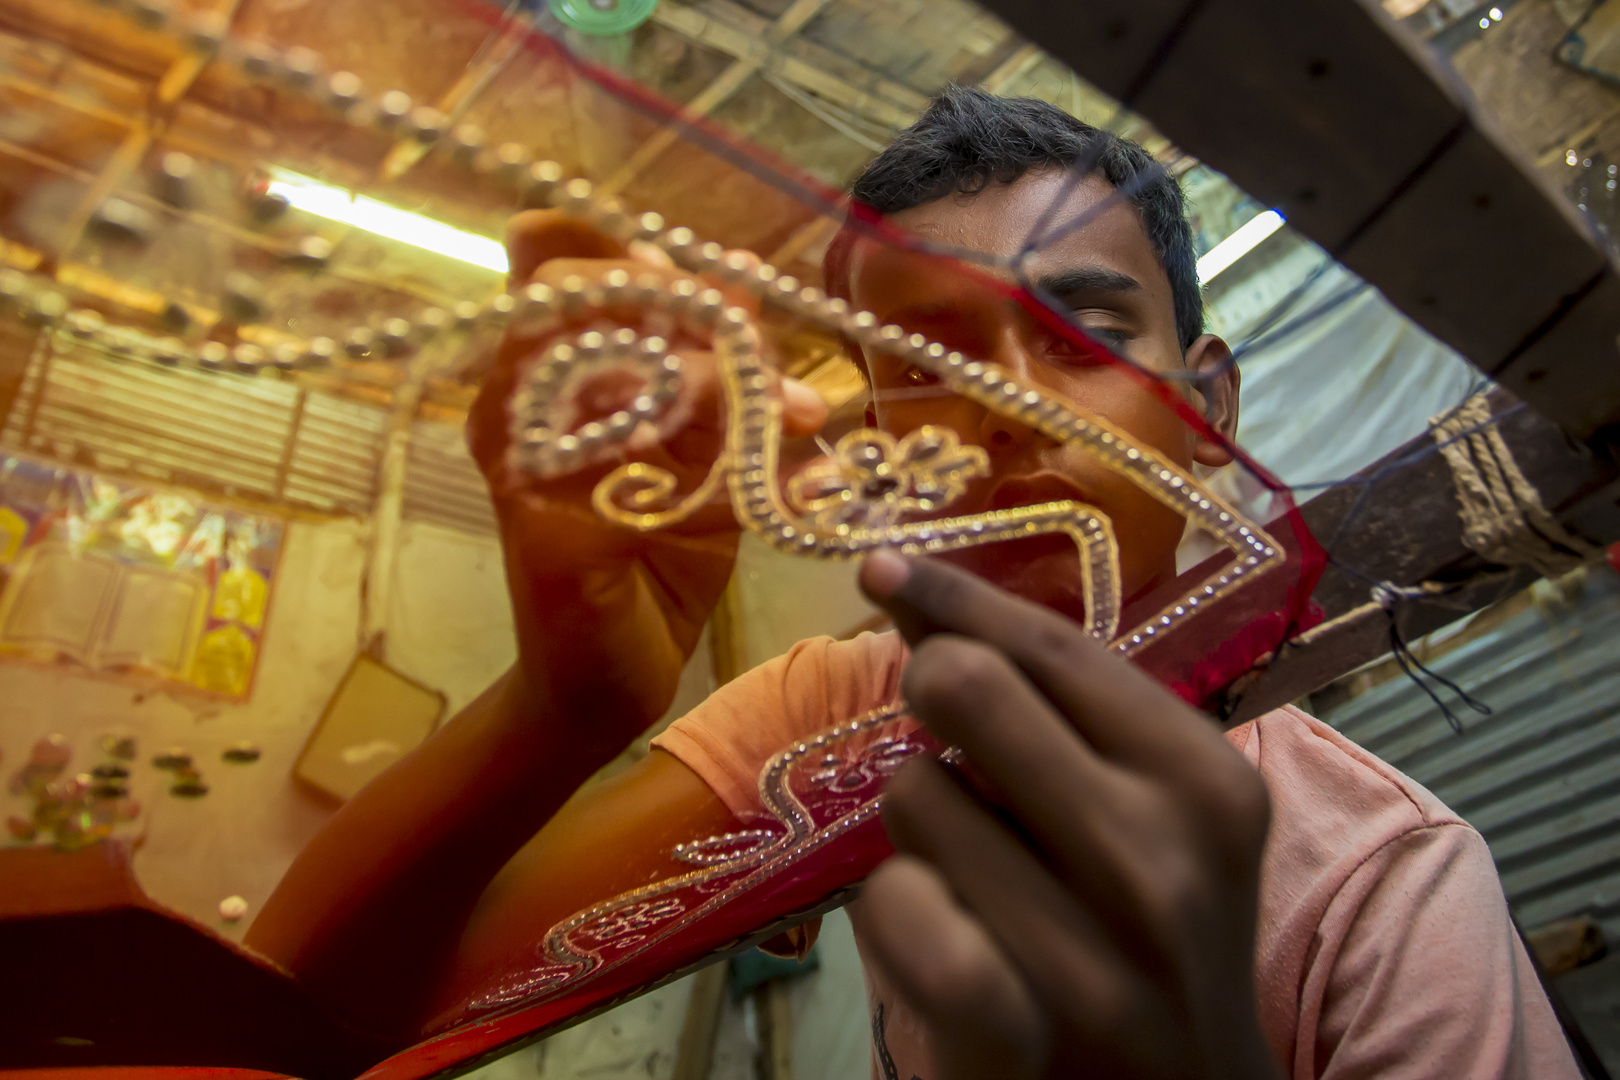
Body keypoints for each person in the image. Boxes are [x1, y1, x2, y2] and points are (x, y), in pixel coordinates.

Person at [246, 87, 1579, 1079]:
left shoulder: (1378, 889)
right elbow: (308, 1023)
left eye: (1083, 333)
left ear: (1206, 401)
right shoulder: (844, 717)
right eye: (928, 359)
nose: (999, 405)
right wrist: (562, 704)